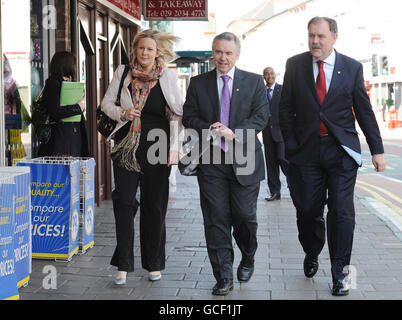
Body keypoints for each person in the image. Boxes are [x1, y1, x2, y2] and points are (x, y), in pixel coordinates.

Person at [279, 17, 386, 296]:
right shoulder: (295, 65)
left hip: (341, 151)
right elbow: (285, 108)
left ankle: (341, 274)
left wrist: (377, 149)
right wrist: (290, 144)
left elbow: (363, 110)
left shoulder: (351, 68)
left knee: (341, 212)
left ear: (334, 37)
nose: (315, 41)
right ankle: (312, 251)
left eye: (321, 36)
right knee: (307, 210)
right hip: (305, 152)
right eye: (311, 35)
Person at [182, 32, 269, 296]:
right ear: (212, 52)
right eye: (218, 52)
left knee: (244, 216)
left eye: (228, 53)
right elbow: (189, 117)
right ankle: (223, 276)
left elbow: (262, 116)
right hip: (211, 161)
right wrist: (208, 127)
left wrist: (235, 132)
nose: (223, 58)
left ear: (237, 55)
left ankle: (248, 254)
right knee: (216, 220)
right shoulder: (198, 84)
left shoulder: (254, 82)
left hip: (245, 160)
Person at [100, 29, 183, 285]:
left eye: (150, 49)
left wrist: (175, 148)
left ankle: (153, 263)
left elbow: (178, 114)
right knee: (124, 201)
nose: (145, 53)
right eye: (141, 48)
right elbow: (105, 105)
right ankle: (123, 264)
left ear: (157, 52)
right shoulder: (122, 73)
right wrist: (122, 113)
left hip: (157, 148)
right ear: (134, 50)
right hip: (126, 146)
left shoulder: (167, 77)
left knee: (154, 207)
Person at [38, 51, 89, 157]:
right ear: (66, 65)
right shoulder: (53, 83)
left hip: (69, 137)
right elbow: (56, 111)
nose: (75, 67)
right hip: (60, 139)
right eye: (73, 64)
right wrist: (78, 107)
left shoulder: (65, 82)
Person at [261, 67, 288, 201]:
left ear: (275, 75)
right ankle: (275, 192)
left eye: (271, 73)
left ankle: (295, 187)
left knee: (284, 160)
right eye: (266, 74)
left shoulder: (282, 90)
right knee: (271, 164)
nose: (269, 76)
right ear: (264, 77)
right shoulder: (261, 92)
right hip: (267, 134)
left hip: (281, 133)